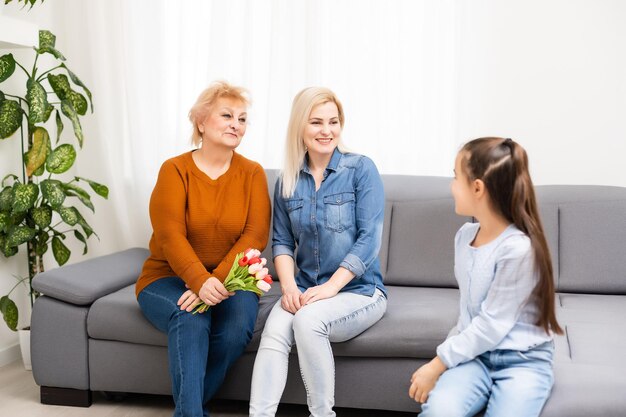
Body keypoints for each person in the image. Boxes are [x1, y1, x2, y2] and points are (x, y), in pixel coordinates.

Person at [249, 87, 388, 417]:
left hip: (358, 292)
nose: (326, 131)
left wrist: (329, 288)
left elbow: (369, 240)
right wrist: (290, 288)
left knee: (308, 320)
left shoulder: (361, 169)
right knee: (275, 329)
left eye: (333, 121)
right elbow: (281, 242)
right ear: (300, 126)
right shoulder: (287, 180)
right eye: (316, 122)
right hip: (307, 289)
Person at [135, 81, 271, 417]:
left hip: (232, 278)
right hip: (166, 276)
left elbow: (255, 235)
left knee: (238, 326)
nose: (235, 124)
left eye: (242, 119)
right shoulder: (175, 169)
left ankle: (187, 408)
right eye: (226, 115)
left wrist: (215, 281)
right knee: (192, 314)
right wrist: (198, 280)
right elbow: (169, 235)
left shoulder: (252, 173)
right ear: (201, 122)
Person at [409, 137, 563, 417]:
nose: (451, 186)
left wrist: (437, 364)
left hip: (522, 362)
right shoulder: (464, 237)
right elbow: (469, 313)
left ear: (477, 188)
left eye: (456, 178)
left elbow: (491, 325)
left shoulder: (518, 249)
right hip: (476, 357)